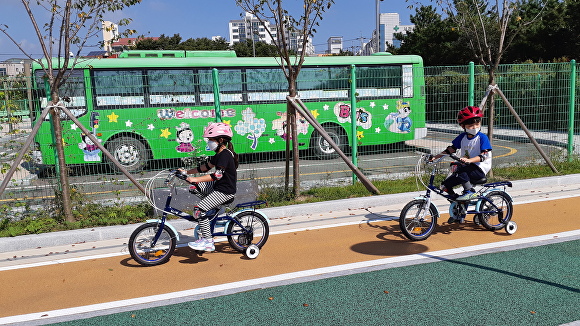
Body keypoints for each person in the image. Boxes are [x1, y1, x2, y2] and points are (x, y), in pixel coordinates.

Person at [180, 122, 239, 252]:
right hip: (218, 187)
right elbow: (205, 167)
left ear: (220, 140)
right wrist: (186, 172)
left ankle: (208, 241)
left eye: (210, 140)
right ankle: (214, 208)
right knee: (193, 186)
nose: (208, 142)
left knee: (199, 210)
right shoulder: (219, 154)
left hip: (225, 191)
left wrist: (194, 178)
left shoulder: (225, 155)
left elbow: (217, 175)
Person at [431, 106, 492, 204]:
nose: (475, 127)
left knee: (460, 169)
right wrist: (435, 157)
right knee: (445, 186)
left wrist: (469, 160)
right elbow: (451, 149)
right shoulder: (462, 137)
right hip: (467, 168)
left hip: (479, 169)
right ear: (463, 126)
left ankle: (470, 192)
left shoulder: (482, 138)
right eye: (471, 125)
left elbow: (484, 156)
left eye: (477, 124)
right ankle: (459, 204)